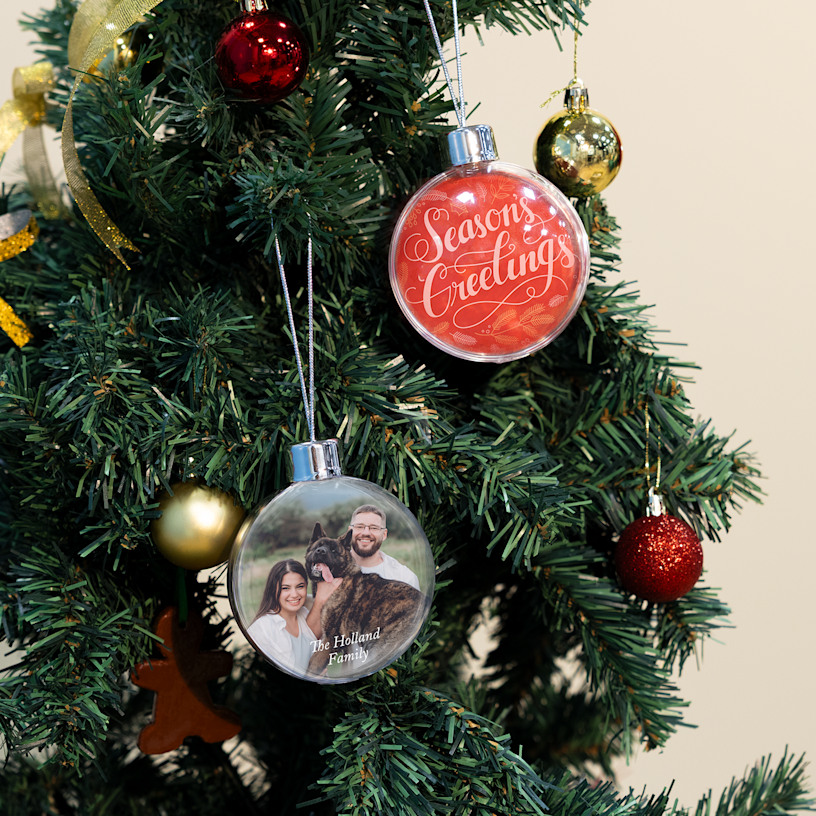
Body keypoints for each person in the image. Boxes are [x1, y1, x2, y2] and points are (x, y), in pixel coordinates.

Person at [246, 559, 318, 675]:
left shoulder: (304, 614)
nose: (294, 594)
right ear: (273, 590)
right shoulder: (262, 628)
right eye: (285, 588)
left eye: (300, 586)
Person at [347, 504, 420, 590]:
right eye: (359, 527)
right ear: (349, 531)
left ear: (384, 534)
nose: (366, 533)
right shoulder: (330, 573)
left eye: (374, 528)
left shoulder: (404, 578)